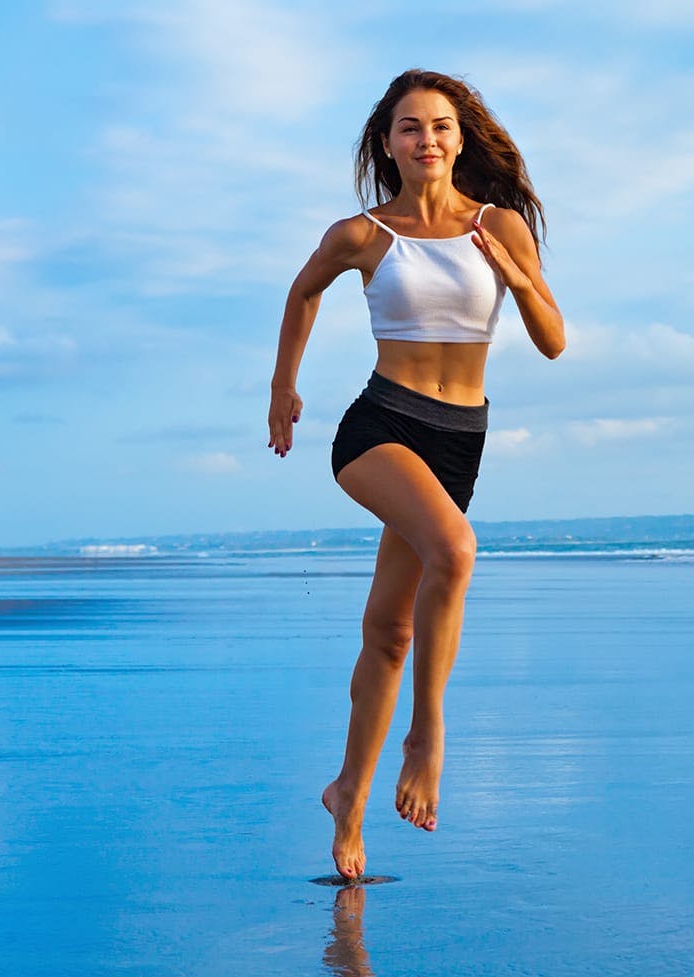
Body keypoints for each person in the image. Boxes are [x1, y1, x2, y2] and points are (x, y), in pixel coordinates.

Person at [267, 69, 564, 880]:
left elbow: (552, 340)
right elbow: (303, 292)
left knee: (391, 631)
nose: (425, 139)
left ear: (461, 137)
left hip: (460, 439)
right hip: (379, 428)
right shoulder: (364, 235)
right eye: (408, 127)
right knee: (456, 552)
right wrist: (282, 385)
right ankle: (427, 735)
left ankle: (347, 799)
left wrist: (517, 272)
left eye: (439, 125)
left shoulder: (495, 225)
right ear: (387, 142)